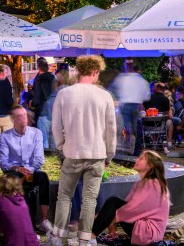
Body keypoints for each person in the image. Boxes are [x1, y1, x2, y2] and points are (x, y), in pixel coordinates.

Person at [49, 55, 117, 246]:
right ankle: (85, 239)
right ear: (95, 71)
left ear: (78, 71)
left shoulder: (64, 94)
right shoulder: (104, 96)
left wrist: (62, 144)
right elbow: (111, 129)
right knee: (89, 199)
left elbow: (56, 125)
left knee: (64, 196)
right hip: (97, 154)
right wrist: (109, 154)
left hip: (72, 152)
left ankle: (57, 236)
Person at [92, 151, 169, 245]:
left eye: (141, 159)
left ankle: (92, 236)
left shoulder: (152, 184)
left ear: (149, 166)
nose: (137, 160)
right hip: (146, 231)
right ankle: (92, 234)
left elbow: (131, 210)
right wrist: (106, 217)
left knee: (114, 202)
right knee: (114, 202)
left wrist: (110, 221)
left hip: (148, 234)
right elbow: (127, 205)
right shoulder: (145, 182)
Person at [0, 106, 50, 228]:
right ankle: (19, 222)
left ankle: (44, 220)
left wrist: (29, 170)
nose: (24, 118)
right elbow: (4, 162)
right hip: (14, 171)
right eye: (20, 116)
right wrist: (17, 168)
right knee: (14, 179)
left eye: (25, 115)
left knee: (43, 177)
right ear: (13, 119)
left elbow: (39, 159)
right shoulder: (5, 136)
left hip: (32, 169)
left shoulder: (36, 133)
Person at [112, 65, 150, 156]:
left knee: (124, 129)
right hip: (134, 106)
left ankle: (123, 153)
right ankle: (134, 152)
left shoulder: (121, 78)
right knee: (134, 130)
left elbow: (113, 91)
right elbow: (147, 96)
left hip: (125, 106)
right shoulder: (140, 80)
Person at [39, 68, 72, 151]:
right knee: (55, 144)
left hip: (47, 117)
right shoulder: (69, 91)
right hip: (55, 119)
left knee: (45, 144)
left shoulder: (58, 90)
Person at [143, 83, 175, 148]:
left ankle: (154, 142)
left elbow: (142, 109)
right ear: (163, 90)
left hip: (147, 125)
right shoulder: (166, 99)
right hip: (160, 125)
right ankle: (169, 143)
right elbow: (167, 114)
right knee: (170, 122)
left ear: (156, 89)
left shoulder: (147, 98)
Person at [33, 58, 56, 122]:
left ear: (38, 67)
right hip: (53, 110)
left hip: (42, 111)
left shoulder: (39, 79)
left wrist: (33, 104)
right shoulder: (53, 78)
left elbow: (36, 98)